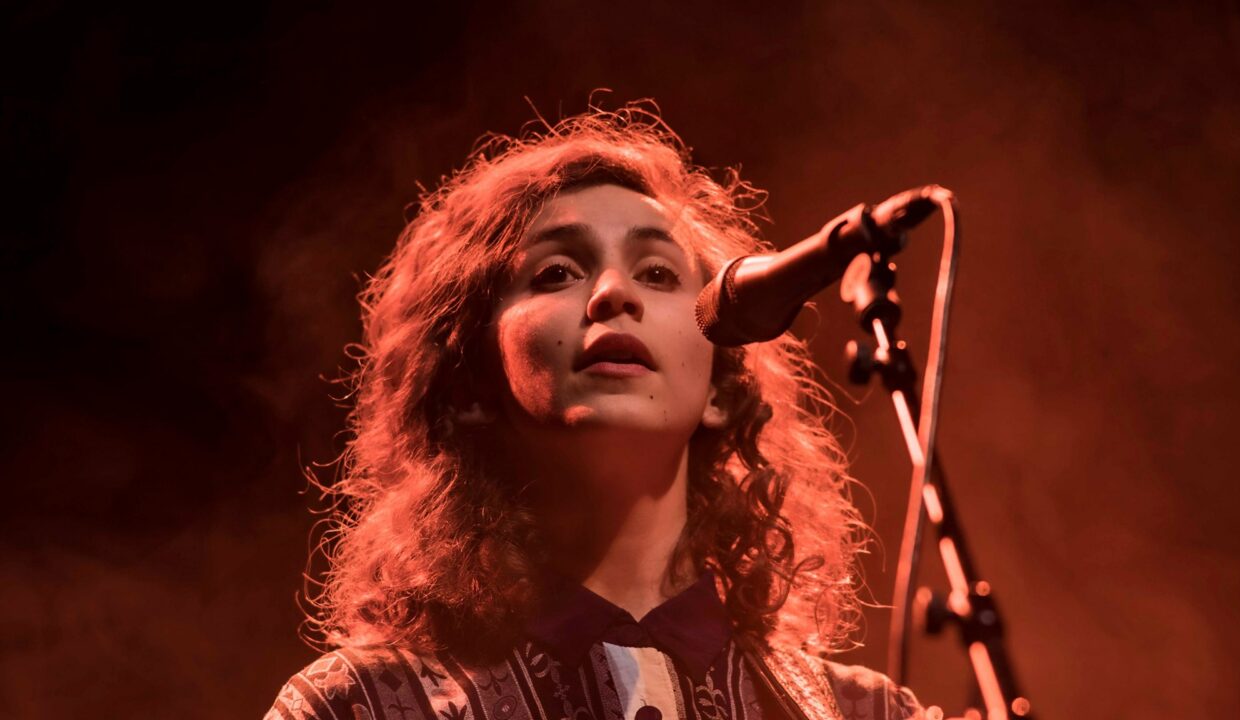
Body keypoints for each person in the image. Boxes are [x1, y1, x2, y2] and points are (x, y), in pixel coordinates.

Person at [265, 102, 924, 720]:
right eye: (556, 272)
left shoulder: (865, 712)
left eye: (658, 274)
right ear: (469, 384)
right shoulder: (359, 705)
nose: (613, 293)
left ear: (722, 390)